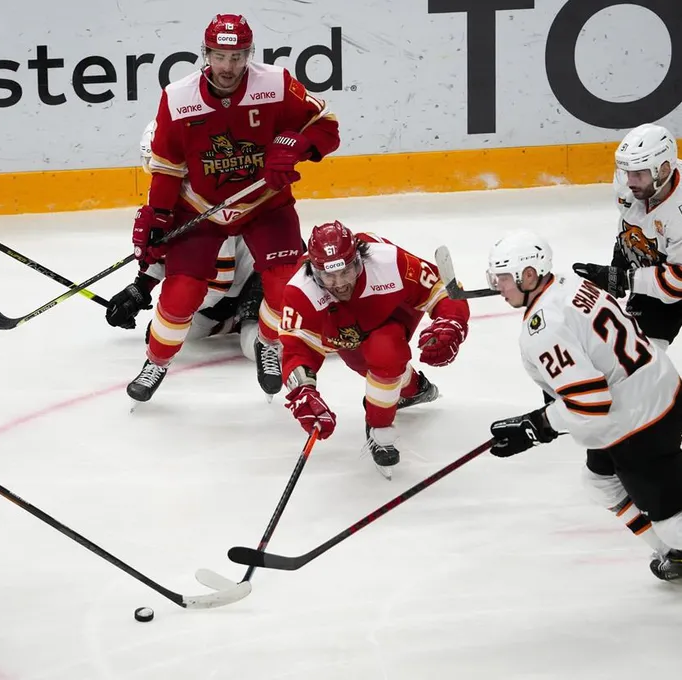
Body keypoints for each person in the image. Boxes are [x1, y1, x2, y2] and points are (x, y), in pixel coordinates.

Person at [127, 13, 340, 403]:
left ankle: (270, 346)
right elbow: (167, 167)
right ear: (205, 53)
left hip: (264, 203)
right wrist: (158, 215)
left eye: (239, 56)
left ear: (250, 54)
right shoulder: (177, 97)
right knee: (180, 293)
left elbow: (325, 127)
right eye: (221, 56)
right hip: (199, 207)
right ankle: (156, 361)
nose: (229, 66)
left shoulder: (275, 84)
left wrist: (296, 145)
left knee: (283, 285)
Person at [486, 231, 682, 580]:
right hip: (657, 387)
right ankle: (672, 554)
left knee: (674, 525)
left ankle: (673, 544)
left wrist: (537, 426)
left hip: (637, 422)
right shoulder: (569, 283)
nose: (497, 286)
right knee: (599, 481)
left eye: (502, 277)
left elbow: (591, 402)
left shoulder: (543, 328)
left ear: (529, 275)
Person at [278, 221, 470, 477]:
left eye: (346, 271)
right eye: (328, 276)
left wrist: (451, 321)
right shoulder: (300, 290)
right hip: (342, 331)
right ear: (314, 270)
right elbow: (295, 350)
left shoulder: (388, 261)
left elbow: (440, 288)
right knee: (379, 366)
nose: (339, 284)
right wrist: (304, 392)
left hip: (394, 311)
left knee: (386, 352)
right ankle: (413, 389)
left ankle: (379, 428)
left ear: (359, 258)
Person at [107, 120, 262, 363]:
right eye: (152, 166)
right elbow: (168, 248)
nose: (159, 174)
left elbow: (220, 279)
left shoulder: (209, 196)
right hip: (221, 290)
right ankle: (232, 321)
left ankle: (255, 315)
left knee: (253, 349)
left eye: (164, 166)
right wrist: (141, 289)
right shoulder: (161, 195)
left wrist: (171, 308)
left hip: (253, 278)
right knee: (158, 335)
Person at [573, 123, 682, 349]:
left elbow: (678, 282)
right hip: (662, 268)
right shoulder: (629, 186)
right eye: (628, 172)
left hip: (675, 275)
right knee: (636, 357)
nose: (630, 181)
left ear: (663, 170)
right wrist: (618, 266)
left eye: (639, 173)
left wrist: (625, 278)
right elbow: (630, 225)